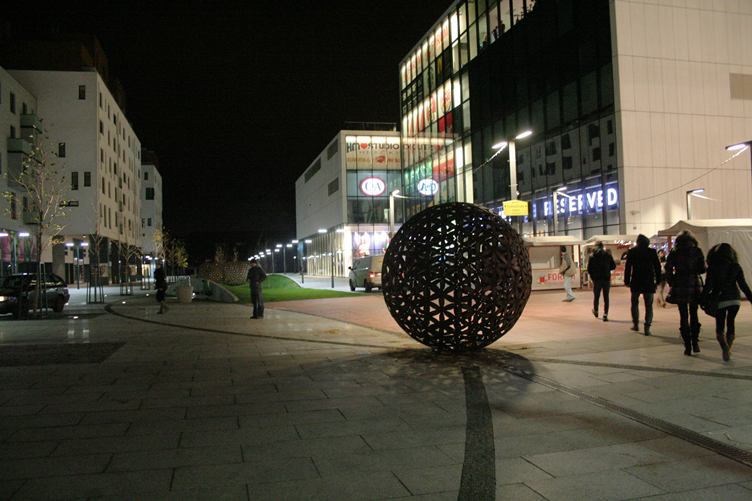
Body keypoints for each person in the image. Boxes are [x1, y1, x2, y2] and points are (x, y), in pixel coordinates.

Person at [705, 243, 752, 361]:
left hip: (720, 300)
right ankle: (729, 347)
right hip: (735, 300)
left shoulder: (712, 267)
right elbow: (743, 286)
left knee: (720, 327)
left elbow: (708, 286)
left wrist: (702, 298)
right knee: (731, 323)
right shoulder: (736, 266)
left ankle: (724, 347)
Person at [665, 230, 706, 355]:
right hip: (694, 283)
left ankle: (687, 346)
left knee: (683, 315)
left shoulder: (675, 252)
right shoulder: (697, 251)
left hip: (680, 283)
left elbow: (668, 268)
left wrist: (671, 281)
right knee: (694, 313)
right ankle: (695, 342)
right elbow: (702, 269)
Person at [624, 234, 661, 336]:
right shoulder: (652, 252)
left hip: (636, 281)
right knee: (649, 305)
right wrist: (658, 280)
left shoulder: (632, 252)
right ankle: (647, 327)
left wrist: (627, 280)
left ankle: (636, 324)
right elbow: (657, 267)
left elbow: (628, 267)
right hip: (648, 281)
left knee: (634, 303)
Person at [587, 241, 616, 321]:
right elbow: (613, 266)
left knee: (596, 296)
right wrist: (607, 269)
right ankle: (605, 314)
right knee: (606, 297)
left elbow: (589, 269)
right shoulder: (608, 255)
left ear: (596, 246)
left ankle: (596, 310)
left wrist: (593, 277)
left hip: (597, 279)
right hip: (606, 279)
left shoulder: (592, 256)